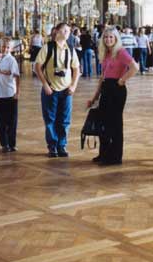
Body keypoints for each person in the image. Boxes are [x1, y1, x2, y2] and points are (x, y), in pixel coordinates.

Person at [88, 26, 138, 165]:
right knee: (104, 122)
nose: (108, 39)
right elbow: (102, 77)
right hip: (106, 88)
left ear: (116, 39)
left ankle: (115, 157)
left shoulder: (121, 52)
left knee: (115, 123)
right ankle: (104, 153)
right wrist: (95, 97)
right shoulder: (105, 53)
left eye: (111, 37)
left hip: (117, 89)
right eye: (106, 37)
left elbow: (135, 67)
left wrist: (122, 80)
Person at [35, 22, 80, 157]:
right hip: (51, 89)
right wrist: (45, 84)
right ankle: (52, 146)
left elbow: (76, 69)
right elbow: (37, 67)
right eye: (65, 30)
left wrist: (73, 85)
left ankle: (62, 146)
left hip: (66, 90)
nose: (67, 33)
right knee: (50, 119)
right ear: (57, 31)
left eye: (69, 31)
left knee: (65, 119)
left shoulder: (70, 49)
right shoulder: (47, 48)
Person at [0, 37, 20, 153]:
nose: (5, 49)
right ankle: (4, 144)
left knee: (12, 121)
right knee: (1, 121)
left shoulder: (11, 60)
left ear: (11, 48)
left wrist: (18, 92)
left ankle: (12, 144)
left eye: (8, 47)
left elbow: (17, 76)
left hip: (10, 93)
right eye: (3, 46)